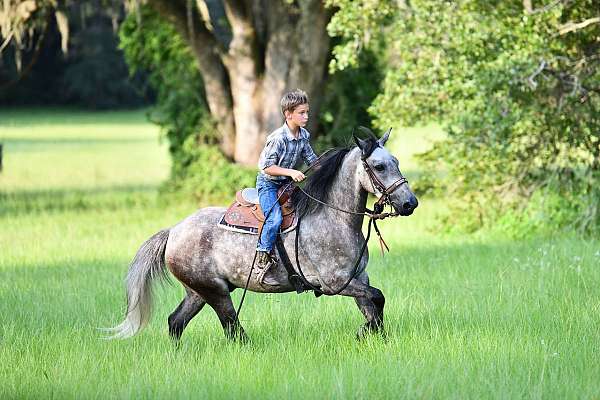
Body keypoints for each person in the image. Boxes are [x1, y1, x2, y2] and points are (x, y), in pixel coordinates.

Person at [256, 89, 317, 269]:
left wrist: (329, 169)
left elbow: (312, 160)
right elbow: (266, 167)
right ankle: (263, 252)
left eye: (307, 112)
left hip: (286, 184)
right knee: (274, 219)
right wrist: (291, 172)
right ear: (288, 114)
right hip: (268, 184)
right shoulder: (278, 138)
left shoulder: (304, 136)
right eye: (301, 113)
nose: (306, 116)